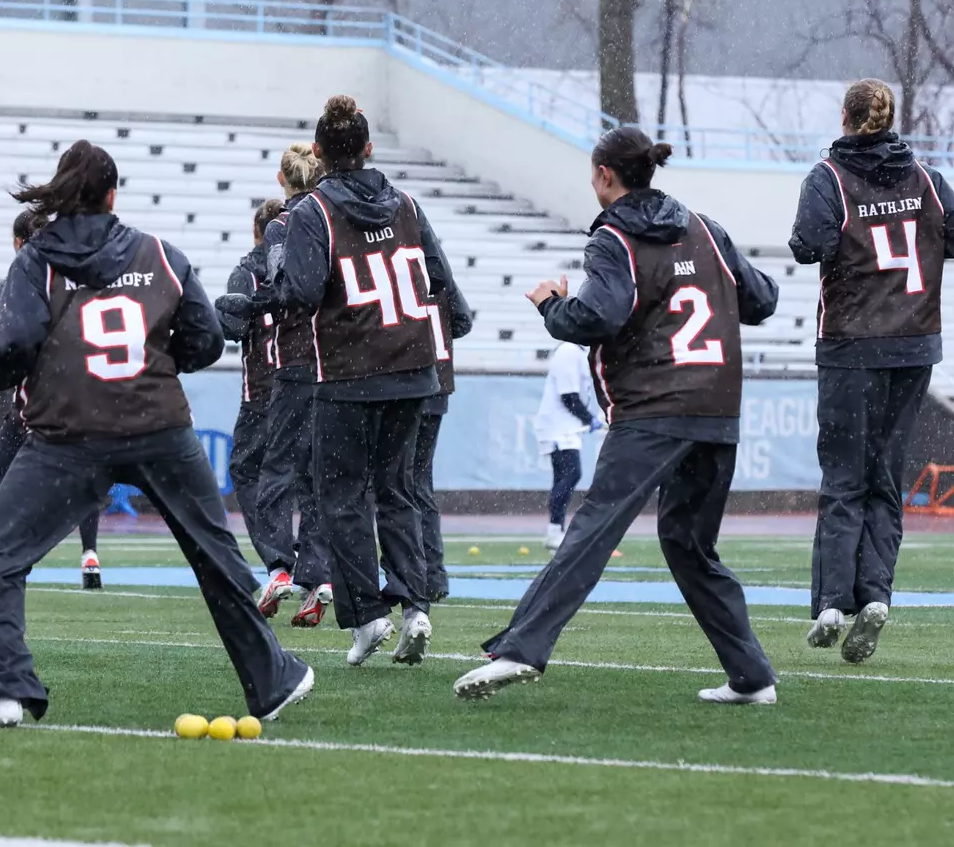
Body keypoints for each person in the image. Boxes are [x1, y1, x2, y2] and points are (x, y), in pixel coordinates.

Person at [0, 141, 312, 728]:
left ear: (62, 194)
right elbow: (207, 339)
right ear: (113, 195)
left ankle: (7, 687)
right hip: (157, 425)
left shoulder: (36, 260)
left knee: (1, 562)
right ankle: (272, 680)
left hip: (68, 433)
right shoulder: (159, 253)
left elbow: (10, 349)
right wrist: (158, 365)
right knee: (216, 558)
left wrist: (1, 370)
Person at [454, 127, 780, 705]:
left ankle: (521, 648)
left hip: (653, 408)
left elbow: (596, 317)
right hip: (716, 407)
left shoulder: (614, 237)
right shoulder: (706, 227)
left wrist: (550, 304)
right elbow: (762, 299)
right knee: (689, 544)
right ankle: (751, 675)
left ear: (606, 176)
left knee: (595, 526)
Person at [791, 79, 954, 663]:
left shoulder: (828, 176)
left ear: (846, 118)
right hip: (915, 346)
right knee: (886, 479)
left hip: (852, 344)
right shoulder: (925, 176)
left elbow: (808, 245)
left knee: (844, 477)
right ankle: (876, 596)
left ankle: (830, 601)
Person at [276, 95, 457, 666]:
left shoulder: (313, 213)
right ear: (369, 148)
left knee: (341, 497)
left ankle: (367, 617)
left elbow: (301, 295)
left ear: (321, 153)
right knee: (398, 490)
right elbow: (439, 280)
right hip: (415, 370)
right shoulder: (405, 203)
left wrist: (257, 300)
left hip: (351, 374)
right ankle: (415, 606)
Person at [0, 210, 104, 592]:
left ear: (18, 243)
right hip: (82, 398)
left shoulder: (20, 279)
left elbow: (5, 339)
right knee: (83, 481)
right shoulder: (77, 276)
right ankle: (89, 553)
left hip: (36, 402)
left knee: (4, 482)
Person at [244, 144, 334, 626]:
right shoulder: (330, 217)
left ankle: (280, 565)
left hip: (294, 361)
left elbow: (285, 288)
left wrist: (255, 305)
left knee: (275, 467)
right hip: (334, 363)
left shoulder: (284, 223)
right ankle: (319, 571)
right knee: (319, 472)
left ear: (282, 179)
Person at [215, 198, 311, 609]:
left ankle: (279, 564)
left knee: (251, 471)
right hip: (311, 385)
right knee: (310, 476)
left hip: (264, 391)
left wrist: (222, 311)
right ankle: (318, 570)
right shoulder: (309, 266)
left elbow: (231, 328)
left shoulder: (249, 270)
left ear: (259, 231)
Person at [405, 279, 473, 602]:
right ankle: (434, 573)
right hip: (437, 385)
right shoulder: (440, 276)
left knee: (399, 484)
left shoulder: (399, 270)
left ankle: (415, 571)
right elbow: (463, 321)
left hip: (408, 386)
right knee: (419, 481)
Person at [534, 342, 602, 550]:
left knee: (565, 476)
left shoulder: (579, 352)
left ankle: (555, 531)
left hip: (567, 427)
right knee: (570, 474)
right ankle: (555, 530)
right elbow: (569, 396)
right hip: (558, 427)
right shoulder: (568, 352)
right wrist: (589, 419)